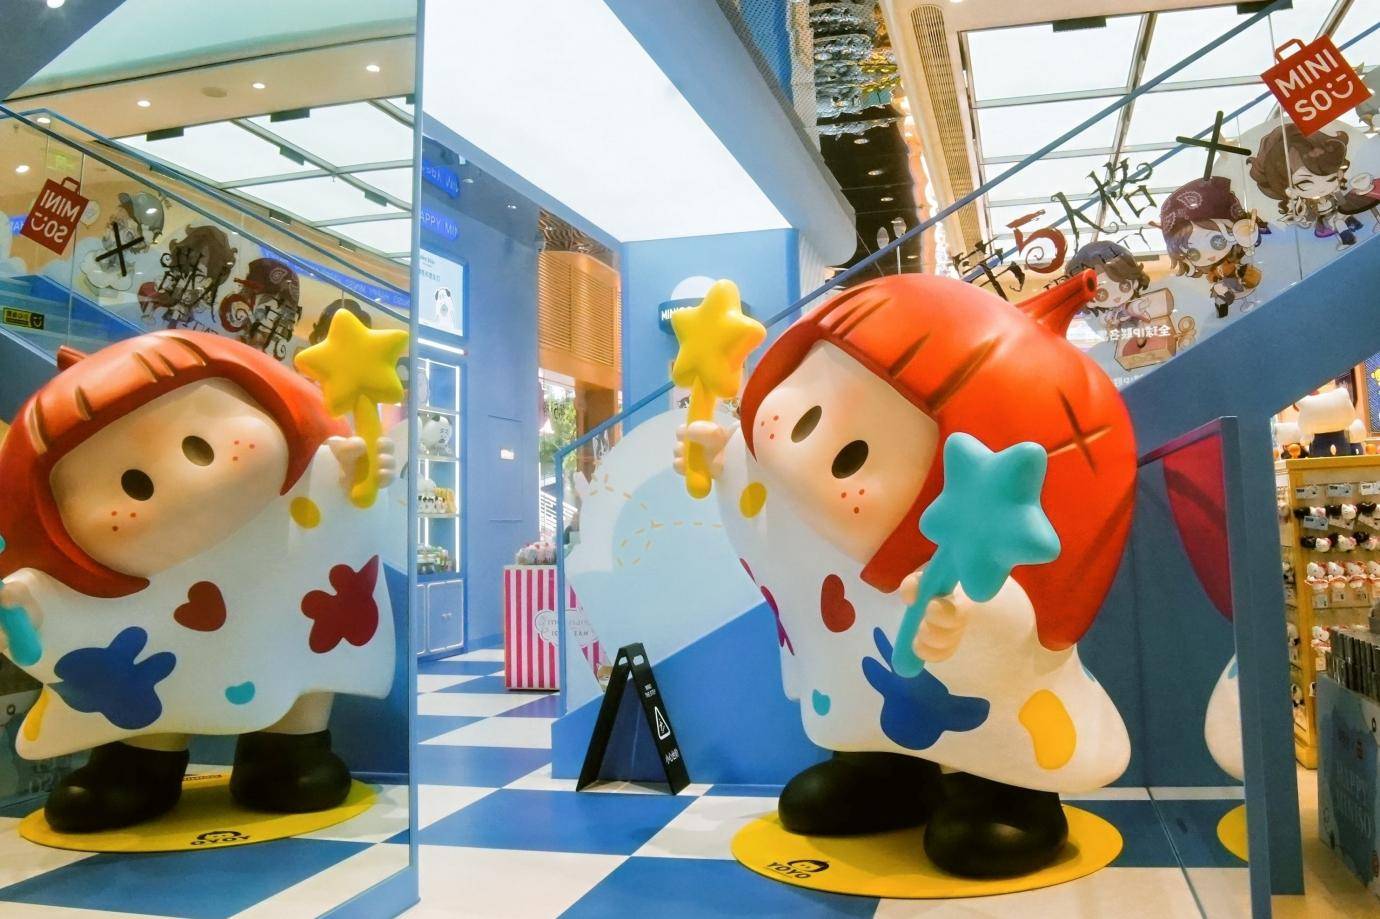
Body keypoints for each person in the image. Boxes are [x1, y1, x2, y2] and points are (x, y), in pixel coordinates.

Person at [674, 271, 1135, 877]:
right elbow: (763, 508)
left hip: (981, 708)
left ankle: (1006, 794)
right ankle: (881, 771)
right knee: (865, 697)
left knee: (986, 727)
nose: (802, 455)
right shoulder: (801, 497)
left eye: (852, 458)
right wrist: (725, 458)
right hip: (863, 664)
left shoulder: (979, 539)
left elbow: (1013, 614)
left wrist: (964, 617)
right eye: (803, 417)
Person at [0, 332, 396, 832]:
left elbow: (356, 523)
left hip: (291, 618)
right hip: (153, 639)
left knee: (303, 665)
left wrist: (359, 478)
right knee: (144, 674)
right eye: (135, 484)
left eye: (197, 445)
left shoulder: (312, 478)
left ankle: (290, 751)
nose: (188, 481)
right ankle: (139, 764)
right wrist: (28, 607)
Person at [1248, 123, 1377, 248]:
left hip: (1340, 212)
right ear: (1289, 190)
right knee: (1336, 222)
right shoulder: (1309, 203)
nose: (1322, 187)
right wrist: (1304, 219)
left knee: (1342, 218)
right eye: (1306, 183)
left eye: (1330, 178)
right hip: (1327, 219)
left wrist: (1345, 204)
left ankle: (1354, 227)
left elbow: (1342, 202)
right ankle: (1347, 239)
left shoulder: (1333, 194)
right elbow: (1310, 216)